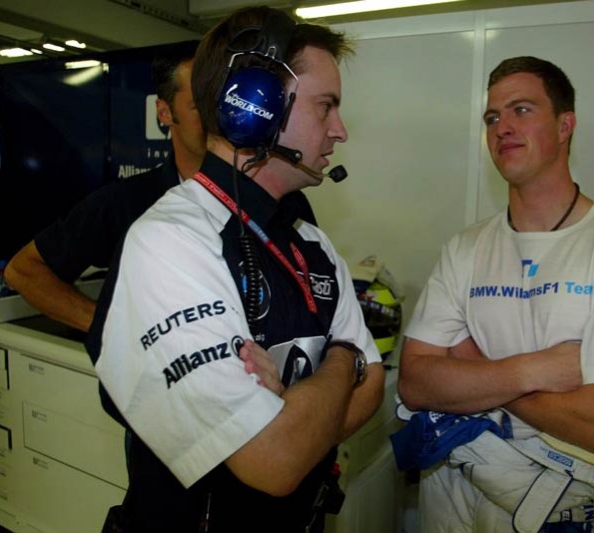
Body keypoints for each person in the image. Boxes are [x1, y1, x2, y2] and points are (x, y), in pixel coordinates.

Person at [86, 7, 385, 532]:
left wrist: (293, 407)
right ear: (257, 108)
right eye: (325, 108)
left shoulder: (311, 242)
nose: (339, 131)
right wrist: (342, 358)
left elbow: (375, 387)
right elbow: (274, 461)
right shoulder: (170, 240)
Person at [397, 56, 594, 531]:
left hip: (558, 507)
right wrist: (535, 369)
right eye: (492, 117)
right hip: (455, 499)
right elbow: (416, 384)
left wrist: (477, 373)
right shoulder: (465, 248)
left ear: (565, 126)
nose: (502, 128)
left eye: (521, 110)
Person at [4, 41, 320, 333]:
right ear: (165, 112)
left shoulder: (285, 204)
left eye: (226, 99)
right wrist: (112, 329)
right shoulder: (126, 203)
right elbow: (24, 271)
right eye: (201, 105)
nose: (221, 116)